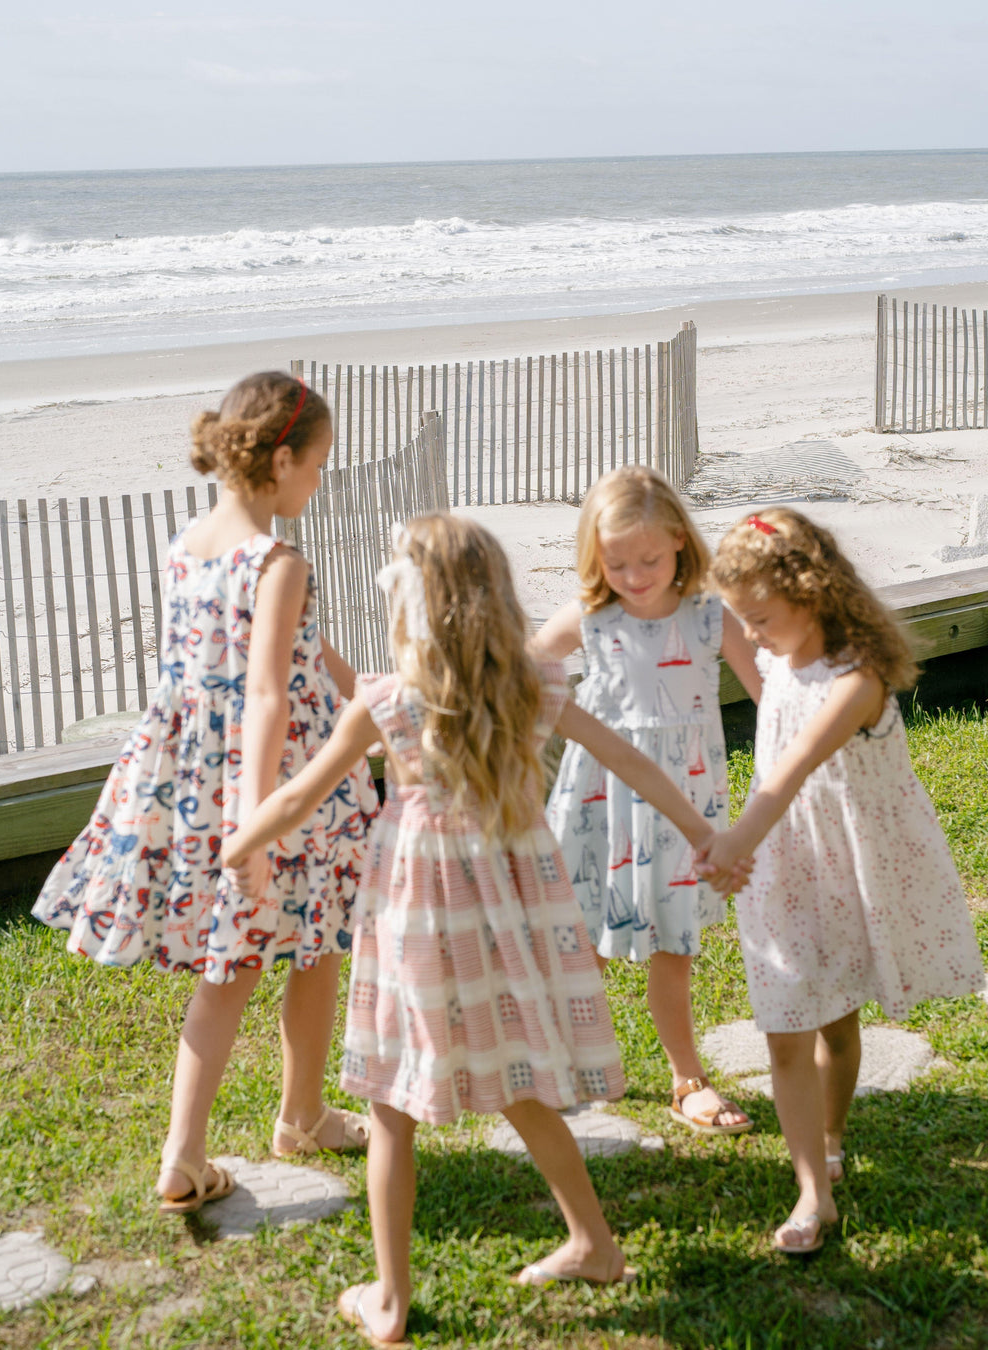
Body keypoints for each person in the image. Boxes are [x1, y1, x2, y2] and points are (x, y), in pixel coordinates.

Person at [222, 514, 737, 1344]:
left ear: (411, 609)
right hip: (511, 921)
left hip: (419, 921)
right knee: (522, 1082)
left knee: (391, 1103)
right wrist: (706, 834)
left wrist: (237, 848)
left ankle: (389, 1299)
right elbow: (632, 762)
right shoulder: (532, 686)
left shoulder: (390, 701)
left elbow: (293, 799)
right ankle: (592, 1243)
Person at [32, 372, 381, 1214]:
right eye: (320, 464)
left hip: (193, 773)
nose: (321, 482)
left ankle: (273, 1123)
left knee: (285, 949)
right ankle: (226, 1139)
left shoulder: (189, 543)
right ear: (284, 456)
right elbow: (265, 694)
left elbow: (301, 651)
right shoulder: (280, 562)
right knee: (274, 951)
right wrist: (256, 826)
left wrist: (365, 688)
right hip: (275, 781)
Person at [708, 508, 985, 1254]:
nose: (751, 633)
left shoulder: (857, 680)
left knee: (837, 1021)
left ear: (815, 595)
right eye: (745, 620)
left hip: (845, 864)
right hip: (784, 869)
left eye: (761, 617)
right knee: (787, 1027)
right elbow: (722, 621)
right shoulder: (775, 655)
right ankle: (812, 1191)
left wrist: (734, 841)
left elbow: (792, 770)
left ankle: (830, 1138)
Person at [533, 465, 761, 1138]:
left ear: (681, 544)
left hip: (686, 802)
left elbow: (768, 697)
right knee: (586, 945)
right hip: (599, 801)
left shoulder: (712, 615)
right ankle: (553, 1061)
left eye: (650, 559)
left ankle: (686, 1077)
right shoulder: (591, 615)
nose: (634, 575)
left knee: (674, 942)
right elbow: (522, 668)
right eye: (617, 561)